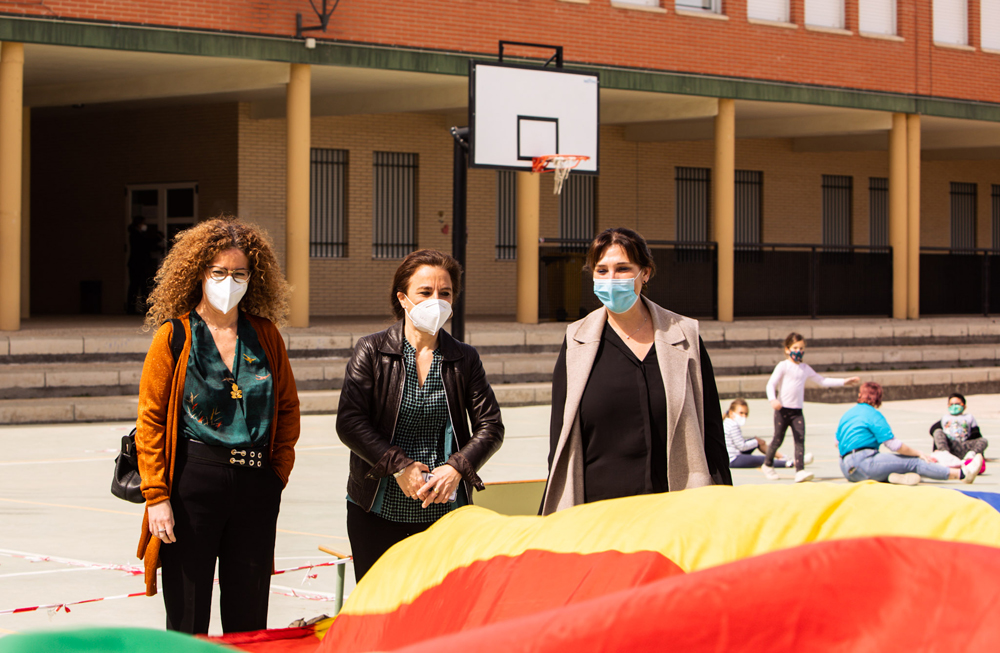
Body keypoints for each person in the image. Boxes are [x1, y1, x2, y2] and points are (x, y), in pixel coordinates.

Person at [134, 217, 300, 634]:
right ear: (199, 274)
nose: (230, 281)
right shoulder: (174, 335)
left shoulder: (265, 335)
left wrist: (276, 474)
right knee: (188, 613)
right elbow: (151, 420)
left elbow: (287, 409)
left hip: (256, 483)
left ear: (252, 278)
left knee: (249, 615)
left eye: (239, 273)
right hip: (194, 483)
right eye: (220, 273)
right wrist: (156, 496)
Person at [337, 249, 504, 582]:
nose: (436, 301)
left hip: (445, 514)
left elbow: (490, 426)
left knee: (437, 616)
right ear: (403, 298)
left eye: (445, 293)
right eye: (425, 293)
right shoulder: (372, 351)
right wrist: (399, 466)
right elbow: (350, 422)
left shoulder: (464, 358)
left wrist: (457, 467)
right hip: (376, 509)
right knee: (381, 612)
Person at [541, 228, 732, 515]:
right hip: (599, 517)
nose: (611, 279)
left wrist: (724, 506)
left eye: (622, 269)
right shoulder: (575, 341)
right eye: (601, 270)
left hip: (675, 515)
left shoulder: (685, 336)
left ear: (645, 273)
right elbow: (560, 442)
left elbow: (713, 438)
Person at [837, 382, 982, 486]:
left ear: (860, 395)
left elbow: (838, 442)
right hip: (863, 462)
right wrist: (917, 453)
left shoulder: (847, 414)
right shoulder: (873, 415)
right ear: (878, 397)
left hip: (846, 468)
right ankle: (962, 474)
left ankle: (895, 478)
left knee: (889, 465)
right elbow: (893, 445)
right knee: (914, 462)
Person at [762, 332, 860, 483]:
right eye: (795, 347)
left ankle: (800, 470)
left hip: (797, 411)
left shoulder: (805, 368)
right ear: (787, 349)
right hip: (782, 410)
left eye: (801, 348)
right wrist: (772, 400)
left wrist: (844, 382)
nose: (799, 351)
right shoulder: (783, 366)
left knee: (800, 440)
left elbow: (822, 381)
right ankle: (768, 465)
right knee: (777, 439)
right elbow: (771, 384)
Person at [724, 399, 793, 469]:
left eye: (746, 414)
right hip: (733, 458)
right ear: (731, 413)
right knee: (762, 459)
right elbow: (741, 446)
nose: (743, 416)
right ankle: (788, 463)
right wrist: (756, 442)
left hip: (735, 453)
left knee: (758, 442)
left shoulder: (728, 422)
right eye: (741, 413)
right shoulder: (732, 425)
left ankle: (782, 457)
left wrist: (756, 441)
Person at [929, 393, 989, 460]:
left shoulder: (969, 417)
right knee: (938, 431)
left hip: (965, 446)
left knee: (984, 440)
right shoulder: (945, 418)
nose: (954, 406)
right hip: (950, 446)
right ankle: (944, 454)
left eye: (957, 404)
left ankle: (971, 455)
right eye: (951, 404)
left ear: (964, 406)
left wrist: (981, 454)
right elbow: (935, 433)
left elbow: (976, 435)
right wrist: (935, 450)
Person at [126, 215, 164, 314]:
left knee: (138, 286)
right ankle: (136, 308)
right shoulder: (135, 234)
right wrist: (157, 239)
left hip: (138, 264)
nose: (144, 225)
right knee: (138, 286)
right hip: (138, 264)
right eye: (143, 223)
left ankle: (139, 308)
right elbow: (143, 245)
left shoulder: (138, 234)